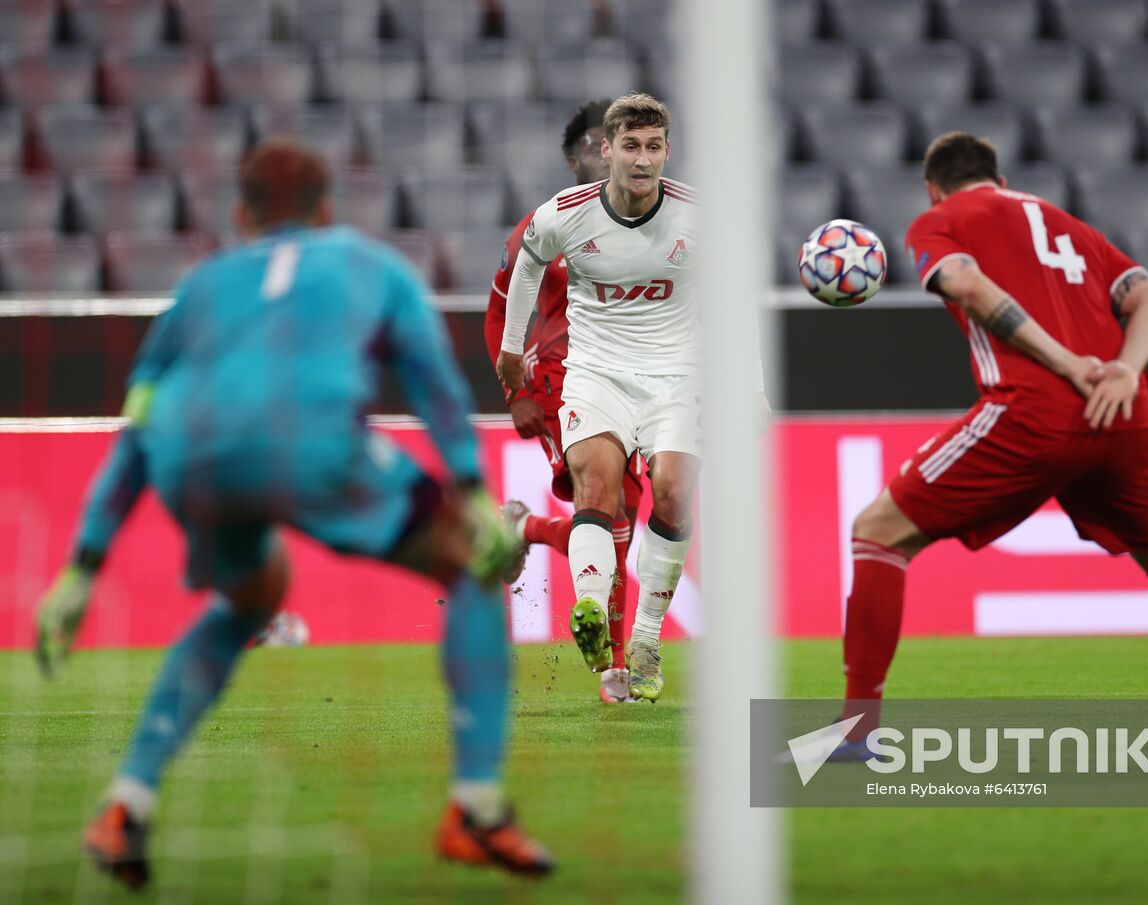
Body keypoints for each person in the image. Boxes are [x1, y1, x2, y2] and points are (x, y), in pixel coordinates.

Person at [32, 140, 554, 889]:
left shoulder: (201, 286)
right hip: (309, 440)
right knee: (473, 561)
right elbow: (434, 384)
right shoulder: (373, 265)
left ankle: (125, 804)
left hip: (188, 455)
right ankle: (475, 808)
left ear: (242, 215)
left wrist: (84, 566)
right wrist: (471, 489)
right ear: (327, 209)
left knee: (252, 595)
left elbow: (138, 421)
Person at [837, 132, 1148, 756]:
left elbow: (966, 286)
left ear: (934, 187)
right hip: (1123, 411)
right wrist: (1123, 368)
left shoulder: (941, 220)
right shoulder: (1069, 225)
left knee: (879, 530)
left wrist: (1069, 365)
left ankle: (856, 731)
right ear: (1001, 179)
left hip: (1035, 409)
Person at [497, 92, 765, 702]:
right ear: (608, 150)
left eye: (654, 147)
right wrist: (513, 349)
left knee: (672, 490)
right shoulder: (565, 213)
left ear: (667, 151)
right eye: (631, 147)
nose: (643, 161)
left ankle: (645, 639)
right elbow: (527, 264)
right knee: (597, 489)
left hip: (678, 375)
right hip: (597, 374)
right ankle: (591, 612)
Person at [483, 98, 647, 705]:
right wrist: (515, 390)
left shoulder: (656, 223)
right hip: (561, 381)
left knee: (622, 521)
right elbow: (500, 308)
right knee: (610, 514)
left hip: (638, 382)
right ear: (578, 155)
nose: (608, 154)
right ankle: (616, 668)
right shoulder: (544, 225)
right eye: (598, 144)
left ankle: (524, 527)